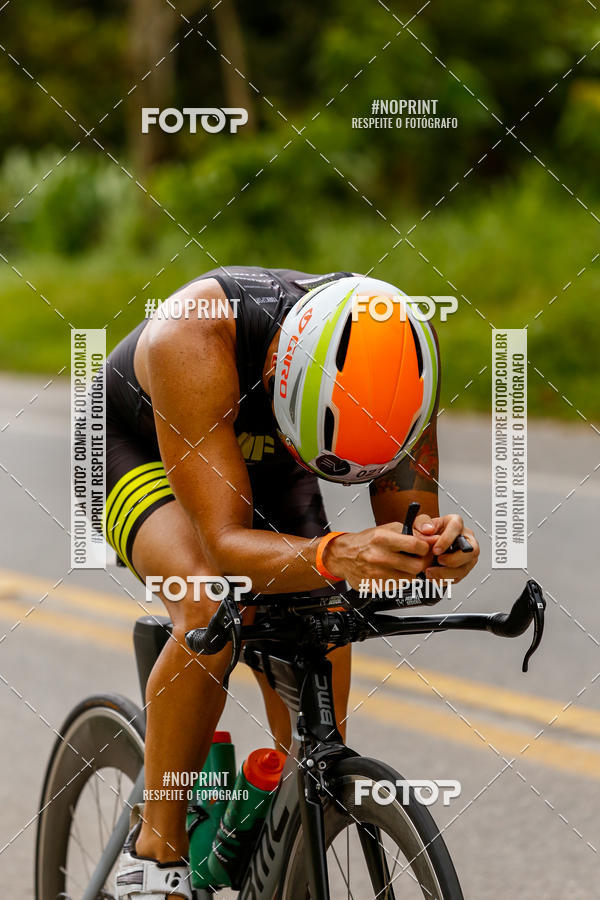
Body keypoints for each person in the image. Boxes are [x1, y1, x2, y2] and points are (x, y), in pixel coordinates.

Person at [105, 266, 479, 898]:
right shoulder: (192, 337)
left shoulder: (407, 355)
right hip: (136, 443)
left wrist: (435, 550)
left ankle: (270, 829)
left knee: (324, 632)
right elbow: (226, 545)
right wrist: (340, 552)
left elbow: (407, 526)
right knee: (211, 600)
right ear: (287, 378)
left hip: (273, 458)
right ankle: (155, 855)